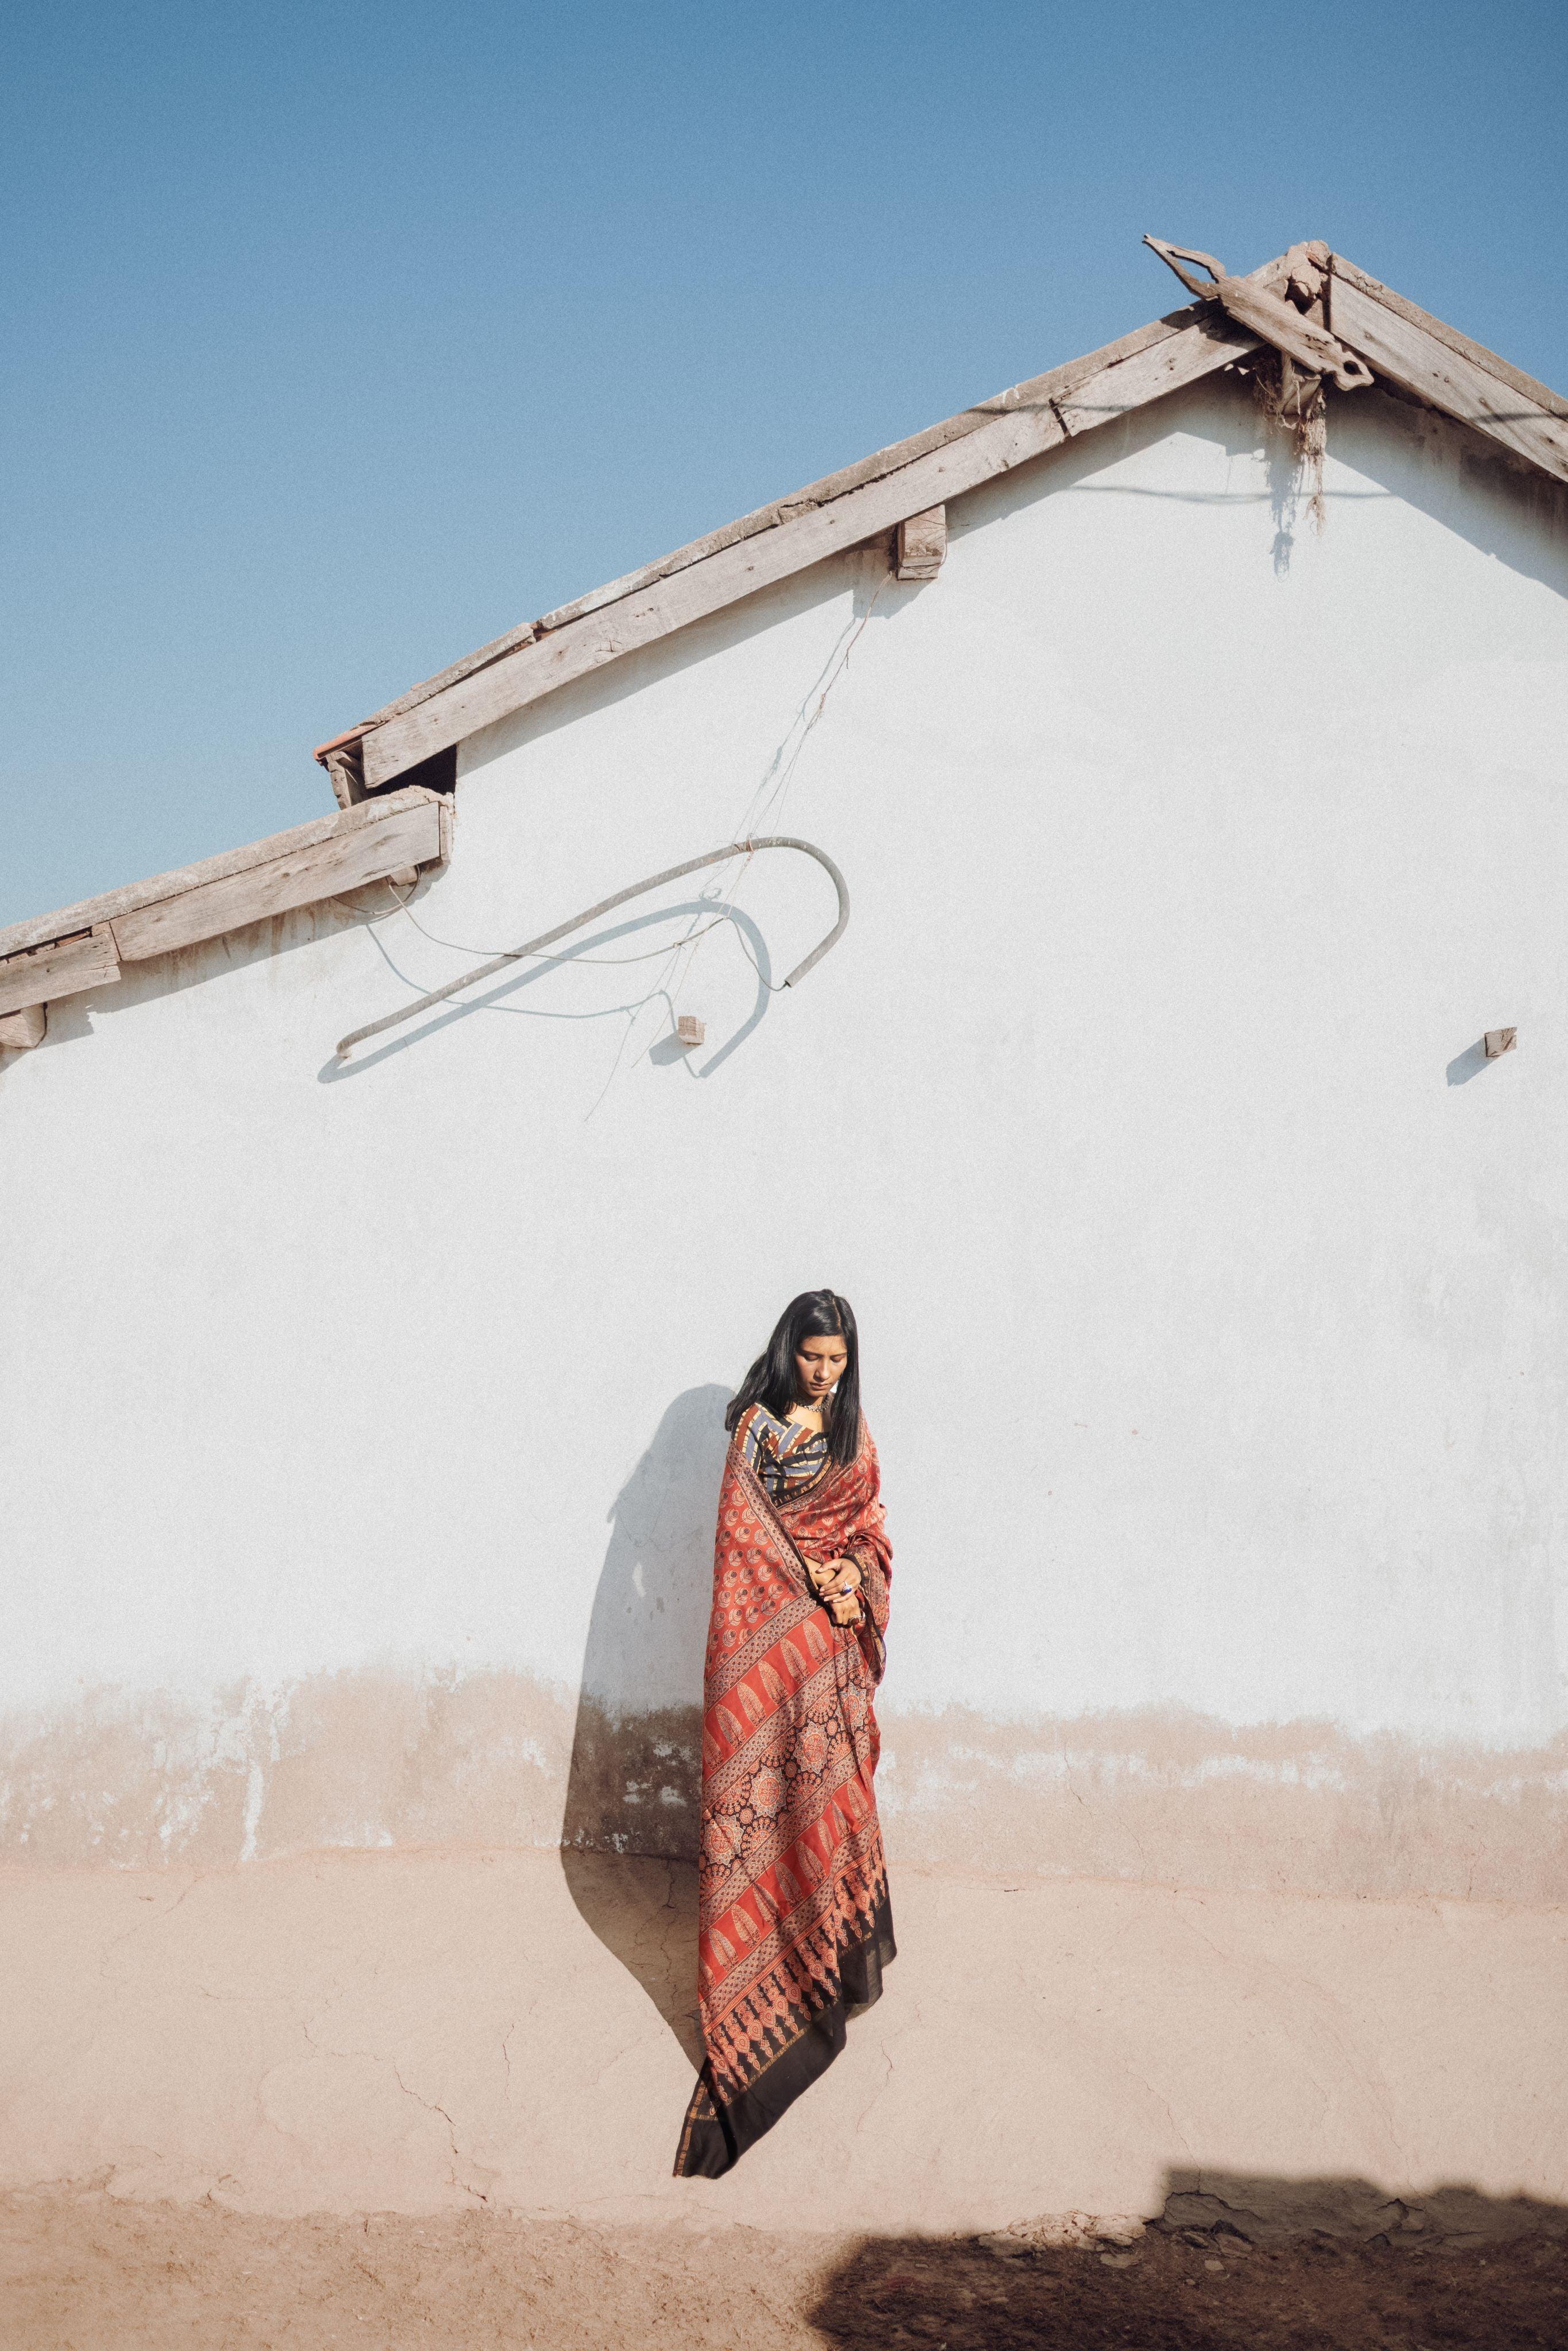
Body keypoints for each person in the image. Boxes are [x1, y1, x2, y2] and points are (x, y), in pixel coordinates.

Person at [673, 1289, 895, 2178]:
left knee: (830, 1806)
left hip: (829, 1661)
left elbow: (874, 1530)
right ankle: (765, 1986)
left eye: (838, 1360)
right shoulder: (756, 1435)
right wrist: (812, 1583)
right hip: (772, 1668)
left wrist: (852, 1577)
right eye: (813, 1358)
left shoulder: (852, 1434)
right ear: (787, 1350)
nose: (826, 1373)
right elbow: (744, 1552)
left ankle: (832, 1959)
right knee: (771, 1813)